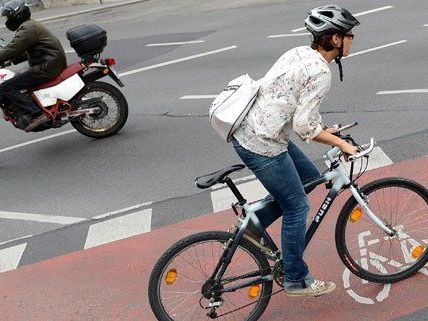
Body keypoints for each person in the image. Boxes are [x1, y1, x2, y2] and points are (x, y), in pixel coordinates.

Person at [231, 5, 360, 297]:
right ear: (336, 39)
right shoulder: (321, 72)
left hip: (257, 130)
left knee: (309, 178)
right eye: (350, 34)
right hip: (261, 143)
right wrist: (340, 144)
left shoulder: (298, 52)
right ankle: (296, 279)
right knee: (297, 206)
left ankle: (253, 228)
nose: (353, 39)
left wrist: (326, 128)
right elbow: (304, 128)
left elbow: (286, 100)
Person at [0, 0, 67, 130]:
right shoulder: (30, 25)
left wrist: (6, 56)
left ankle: (36, 114)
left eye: (8, 17)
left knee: (6, 87)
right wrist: (10, 61)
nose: (7, 20)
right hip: (50, 63)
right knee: (18, 79)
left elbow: (12, 49)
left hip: (46, 67)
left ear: (17, 15)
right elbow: (27, 51)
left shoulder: (27, 29)